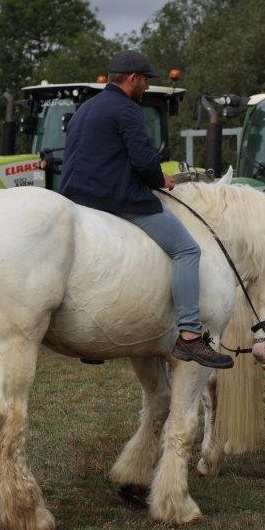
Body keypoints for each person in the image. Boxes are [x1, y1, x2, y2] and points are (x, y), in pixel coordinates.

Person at [59, 50, 233, 369]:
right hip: (114, 198)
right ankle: (191, 336)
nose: (147, 88)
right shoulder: (127, 109)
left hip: (75, 197)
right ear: (133, 79)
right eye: (146, 82)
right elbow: (142, 159)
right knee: (187, 250)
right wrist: (159, 180)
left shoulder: (87, 108)